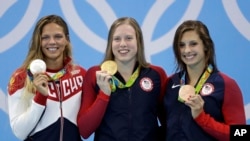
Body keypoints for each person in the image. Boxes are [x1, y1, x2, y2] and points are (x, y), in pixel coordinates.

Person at [77, 17, 167, 141]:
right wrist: (103, 95)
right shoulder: (95, 75)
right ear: (110, 43)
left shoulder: (156, 74)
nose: (123, 44)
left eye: (129, 38)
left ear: (138, 41)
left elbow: (169, 123)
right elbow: (84, 130)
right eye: (117, 39)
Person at [163, 20, 246, 141]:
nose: (187, 50)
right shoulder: (171, 83)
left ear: (206, 46)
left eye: (193, 44)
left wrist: (201, 117)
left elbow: (241, 134)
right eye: (181, 45)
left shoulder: (225, 84)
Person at [7, 15, 86, 141]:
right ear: (38, 41)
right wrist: (40, 97)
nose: (52, 42)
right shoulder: (21, 77)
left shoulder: (80, 75)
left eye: (58, 36)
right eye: (45, 37)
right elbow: (19, 132)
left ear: (67, 40)